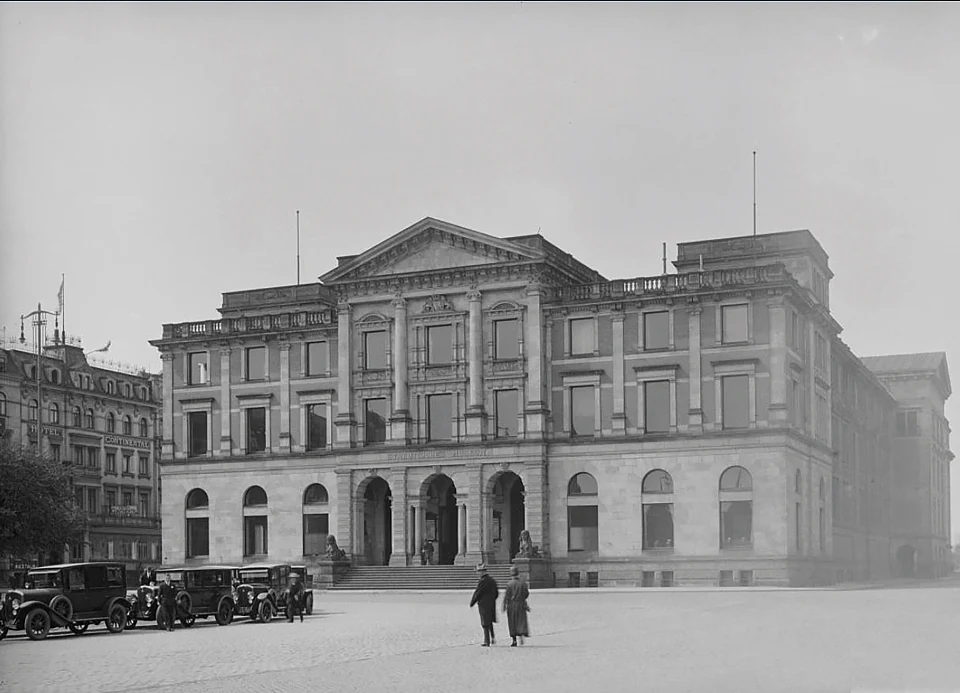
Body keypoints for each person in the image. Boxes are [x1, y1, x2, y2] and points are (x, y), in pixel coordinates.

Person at [469, 562, 499, 647]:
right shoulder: (492, 580)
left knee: (485, 622)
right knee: (489, 620)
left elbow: (478, 592)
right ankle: (492, 637)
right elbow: (496, 592)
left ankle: (487, 641)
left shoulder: (482, 581)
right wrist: (492, 599)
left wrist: (472, 602)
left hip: (483, 604)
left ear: (482, 572)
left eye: (478, 572)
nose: (477, 573)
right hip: (491, 603)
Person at [502, 565, 530, 647]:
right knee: (520, 620)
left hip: (511, 605)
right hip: (520, 603)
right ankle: (521, 634)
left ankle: (514, 640)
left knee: (512, 622)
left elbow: (507, 596)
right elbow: (526, 594)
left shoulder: (509, 584)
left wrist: (504, 604)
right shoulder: (523, 583)